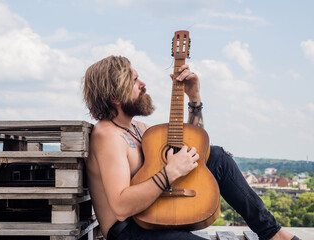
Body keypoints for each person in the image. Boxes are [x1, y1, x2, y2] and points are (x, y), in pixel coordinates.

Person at [82, 56, 298, 240]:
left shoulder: (139, 129)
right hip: (130, 231)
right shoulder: (107, 135)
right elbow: (120, 207)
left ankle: (272, 233)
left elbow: (195, 148)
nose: (143, 84)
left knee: (217, 157)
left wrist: (194, 97)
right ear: (115, 96)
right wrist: (171, 171)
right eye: (135, 80)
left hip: (156, 212)